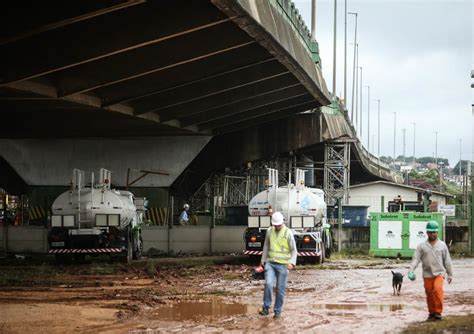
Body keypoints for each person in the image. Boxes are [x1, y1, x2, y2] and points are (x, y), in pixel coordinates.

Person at [408, 220, 453, 321]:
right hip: (427, 274)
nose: (432, 234)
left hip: (439, 273)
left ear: (437, 232)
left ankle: (438, 312)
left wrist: (450, 274)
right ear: (427, 233)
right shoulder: (422, 246)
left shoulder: (442, 245)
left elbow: (447, 260)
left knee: (437, 290)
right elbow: (416, 259)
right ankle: (431, 313)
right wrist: (411, 270)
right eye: (430, 232)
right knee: (429, 293)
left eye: (434, 232)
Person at [259, 211, 297, 319]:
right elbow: (266, 246)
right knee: (268, 284)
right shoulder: (269, 231)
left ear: (282, 223)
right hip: (270, 263)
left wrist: (292, 263)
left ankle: (277, 311)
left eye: (278, 225)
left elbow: (294, 250)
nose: (277, 227)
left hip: (283, 265)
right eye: (275, 225)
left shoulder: (288, 233)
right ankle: (266, 308)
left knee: (280, 289)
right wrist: (262, 261)